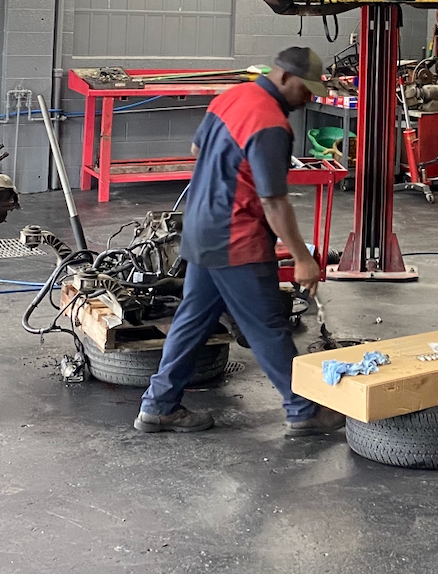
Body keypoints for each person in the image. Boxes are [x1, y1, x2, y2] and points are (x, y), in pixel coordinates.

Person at [134, 45, 345, 437]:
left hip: (200, 227)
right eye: (306, 89)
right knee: (267, 325)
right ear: (284, 76)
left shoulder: (231, 97)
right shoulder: (271, 124)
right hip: (236, 239)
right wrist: (303, 258)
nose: (308, 98)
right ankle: (303, 411)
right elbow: (273, 201)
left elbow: (197, 148)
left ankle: (158, 407)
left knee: (192, 321)